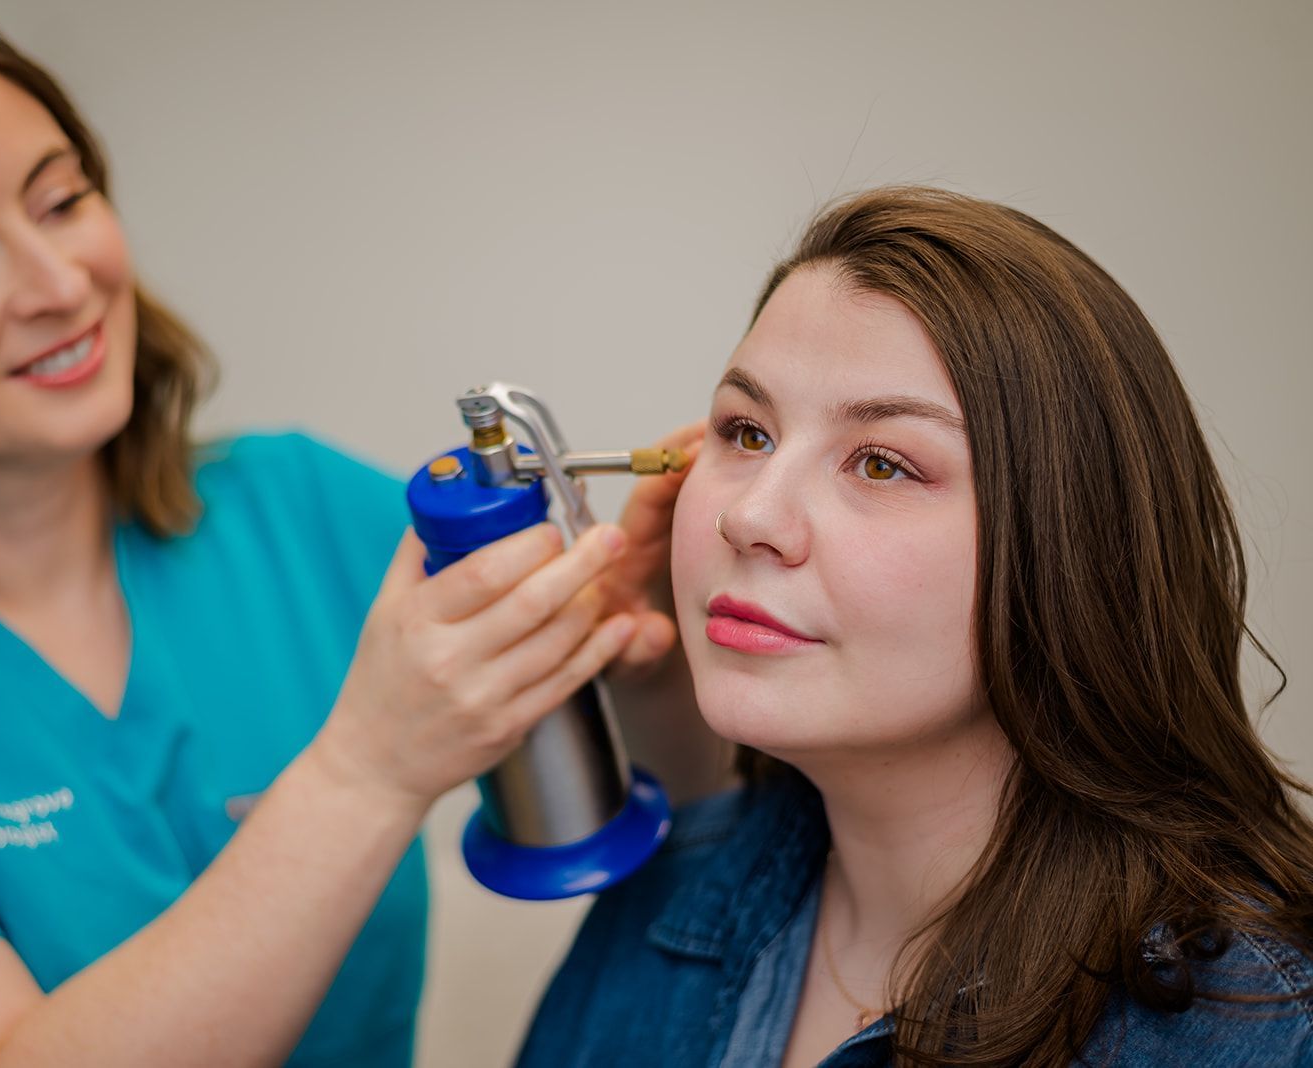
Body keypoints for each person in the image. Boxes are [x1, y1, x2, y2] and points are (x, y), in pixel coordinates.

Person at [0, 4, 718, 1067]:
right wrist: (364, 772)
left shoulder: (301, 512)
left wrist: (642, 659)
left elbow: (677, 839)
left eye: (62, 200)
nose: (61, 286)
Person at [518, 187, 1313, 1067]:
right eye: (747, 432)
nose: (751, 516)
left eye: (883, 462)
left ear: (1073, 548)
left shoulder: (1264, 1030)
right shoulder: (660, 904)